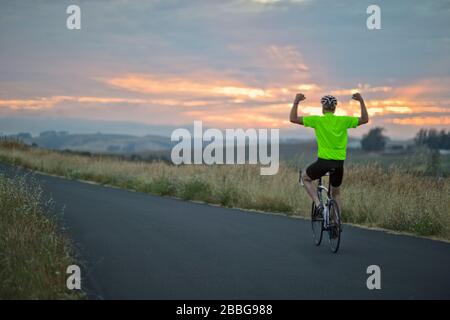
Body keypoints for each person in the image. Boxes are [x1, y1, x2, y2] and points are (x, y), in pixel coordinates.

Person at [289, 92, 369, 216]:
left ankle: (318, 204)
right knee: (336, 193)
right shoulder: (343, 121)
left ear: (322, 108)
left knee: (305, 177)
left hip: (323, 162)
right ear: (335, 108)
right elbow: (365, 119)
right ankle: (336, 221)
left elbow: (293, 119)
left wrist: (296, 101)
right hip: (339, 163)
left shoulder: (317, 120)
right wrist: (361, 101)